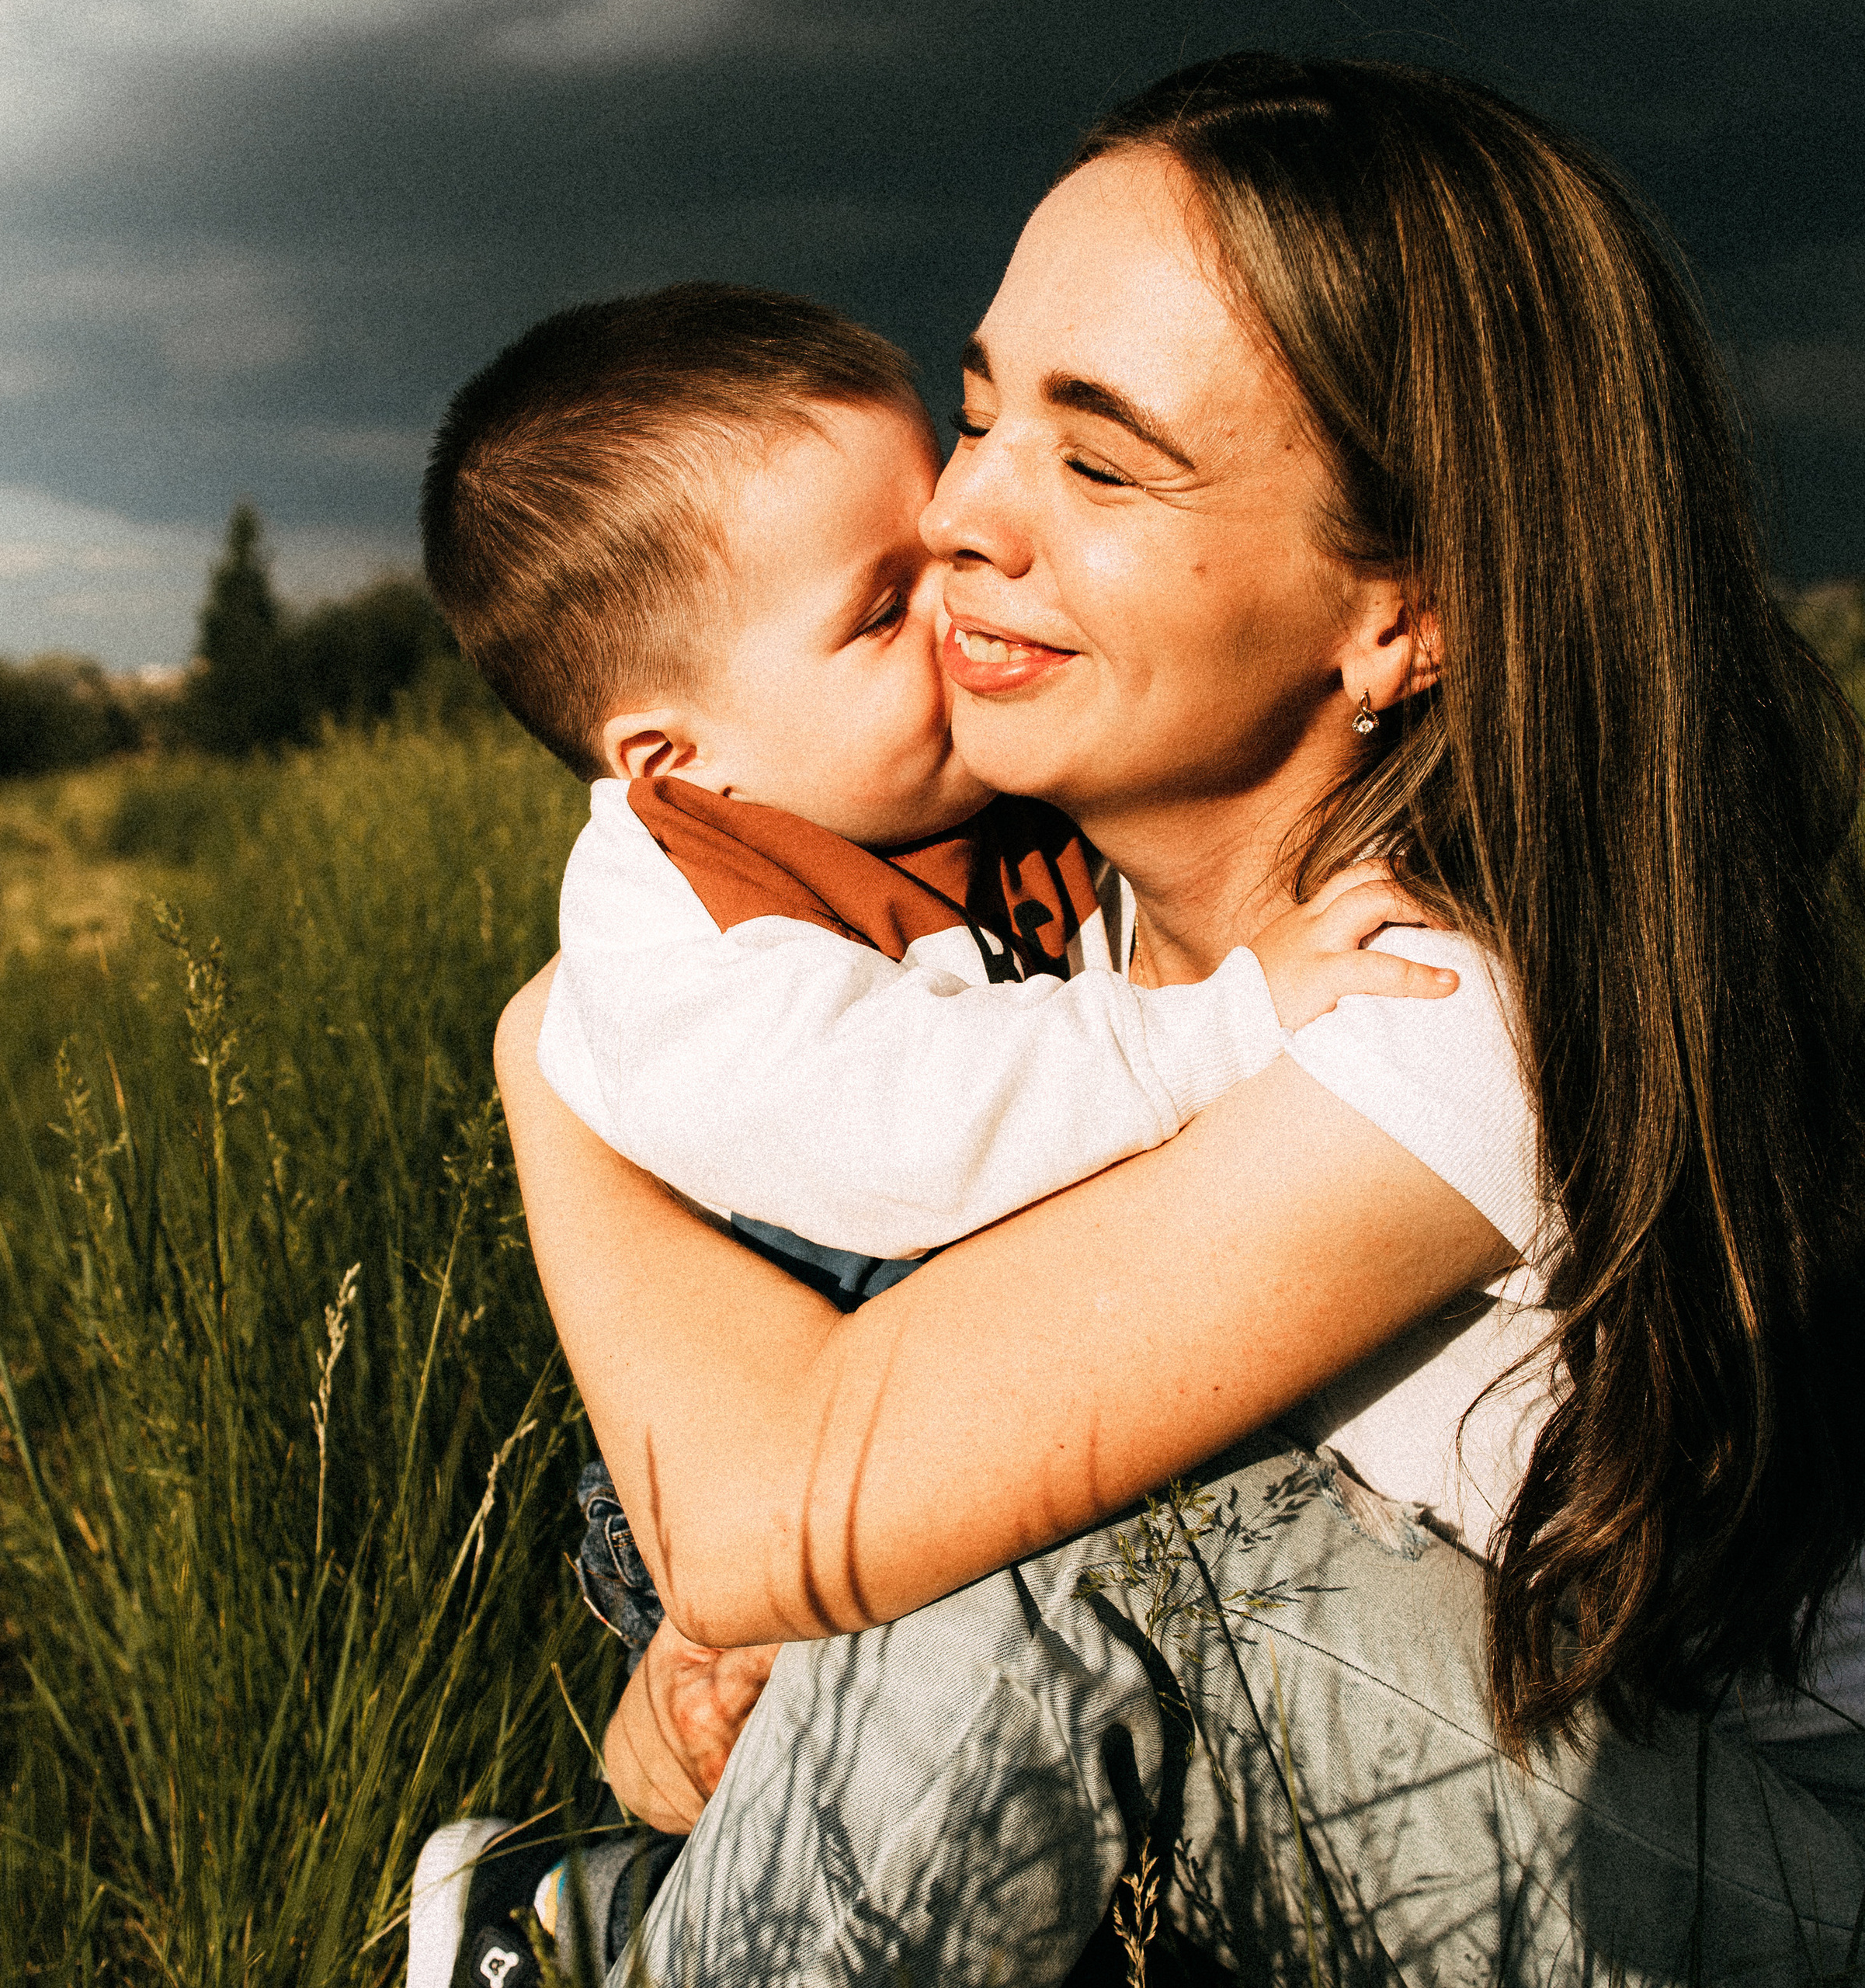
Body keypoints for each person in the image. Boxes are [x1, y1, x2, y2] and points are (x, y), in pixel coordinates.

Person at [500, 53, 1865, 1986]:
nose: (964, 511)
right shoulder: (1065, 909)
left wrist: (547, 1066)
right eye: (979, 411)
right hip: (1431, 1746)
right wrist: (749, 1651)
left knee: (1098, 1540)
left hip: (1762, 1867)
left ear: (1405, 608)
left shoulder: (1447, 1010)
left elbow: (784, 1498)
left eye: (1103, 455)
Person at [405, 283, 1451, 1987]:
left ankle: (618, 1916)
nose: (960, 572)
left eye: (939, 522)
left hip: (894, 1407)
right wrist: (1226, 1021)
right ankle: (629, 1913)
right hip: (798, 1392)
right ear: (677, 755)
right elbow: (913, 1128)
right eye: (881, 602)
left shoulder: (930, 802)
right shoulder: (694, 934)